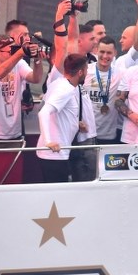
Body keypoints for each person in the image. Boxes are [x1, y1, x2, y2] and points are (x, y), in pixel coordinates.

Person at [0, 33, 45, 140]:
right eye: (11, 51)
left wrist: (37, 60)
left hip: (15, 131)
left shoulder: (19, 63)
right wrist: (20, 53)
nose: (14, 53)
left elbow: (36, 79)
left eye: (15, 49)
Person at [36, 53, 90, 183]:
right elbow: (43, 112)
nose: (87, 73)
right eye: (87, 70)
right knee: (56, 198)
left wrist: (76, 124)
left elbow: (61, 114)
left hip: (56, 153)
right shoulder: (65, 89)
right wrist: (49, 141)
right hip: (54, 154)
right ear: (81, 72)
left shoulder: (59, 84)